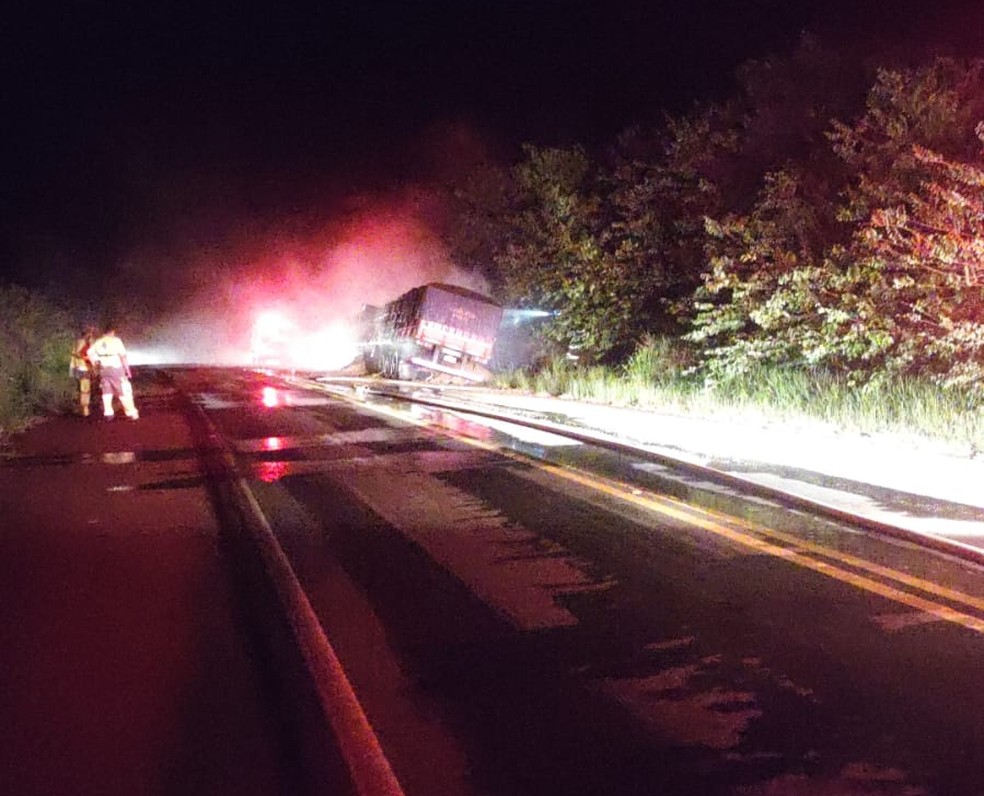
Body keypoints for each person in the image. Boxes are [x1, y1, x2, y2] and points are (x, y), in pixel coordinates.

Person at [86, 324, 139, 420]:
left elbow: (89, 353)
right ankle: (131, 412)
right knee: (123, 390)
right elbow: (123, 356)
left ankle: (108, 413)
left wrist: (94, 363)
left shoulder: (98, 342)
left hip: (104, 369)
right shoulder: (116, 341)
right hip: (116, 368)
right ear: (112, 331)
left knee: (107, 390)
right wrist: (127, 370)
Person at [69, 327, 97, 417]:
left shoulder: (80, 342)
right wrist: (89, 359)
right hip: (83, 367)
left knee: (83, 389)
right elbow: (79, 354)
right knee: (85, 389)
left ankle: (84, 407)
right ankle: (85, 408)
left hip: (80, 368)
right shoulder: (82, 342)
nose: (92, 336)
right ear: (88, 334)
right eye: (91, 333)